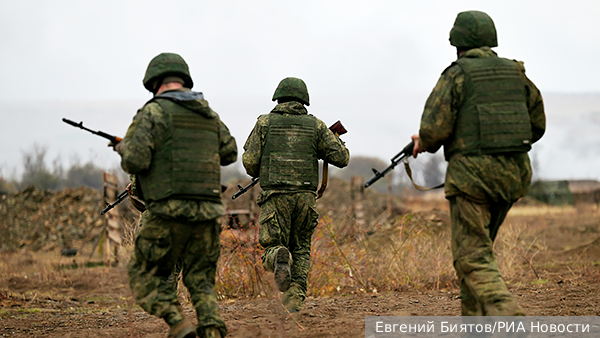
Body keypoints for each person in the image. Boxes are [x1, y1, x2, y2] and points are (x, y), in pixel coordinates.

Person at [412, 11, 546, 316]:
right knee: (477, 256)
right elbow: (537, 125)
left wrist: (424, 140)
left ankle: (509, 316)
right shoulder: (516, 74)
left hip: (473, 181)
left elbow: (433, 131)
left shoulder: (457, 74)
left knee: (471, 258)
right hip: (512, 178)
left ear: (457, 42)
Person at [115, 52, 237, 338]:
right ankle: (212, 331)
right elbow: (230, 152)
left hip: (168, 213)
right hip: (207, 214)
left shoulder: (152, 113)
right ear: (184, 80)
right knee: (201, 282)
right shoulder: (208, 113)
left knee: (144, 276)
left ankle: (179, 325)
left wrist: (123, 148)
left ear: (154, 82)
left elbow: (135, 161)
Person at [242, 77, 349, 313]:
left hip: (275, 197)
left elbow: (250, 164)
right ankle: (294, 302)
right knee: (301, 248)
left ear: (278, 97)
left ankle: (278, 256)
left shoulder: (264, 123)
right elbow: (342, 158)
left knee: (273, 245)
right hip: (305, 198)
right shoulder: (317, 126)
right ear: (304, 100)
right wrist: (334, 140)